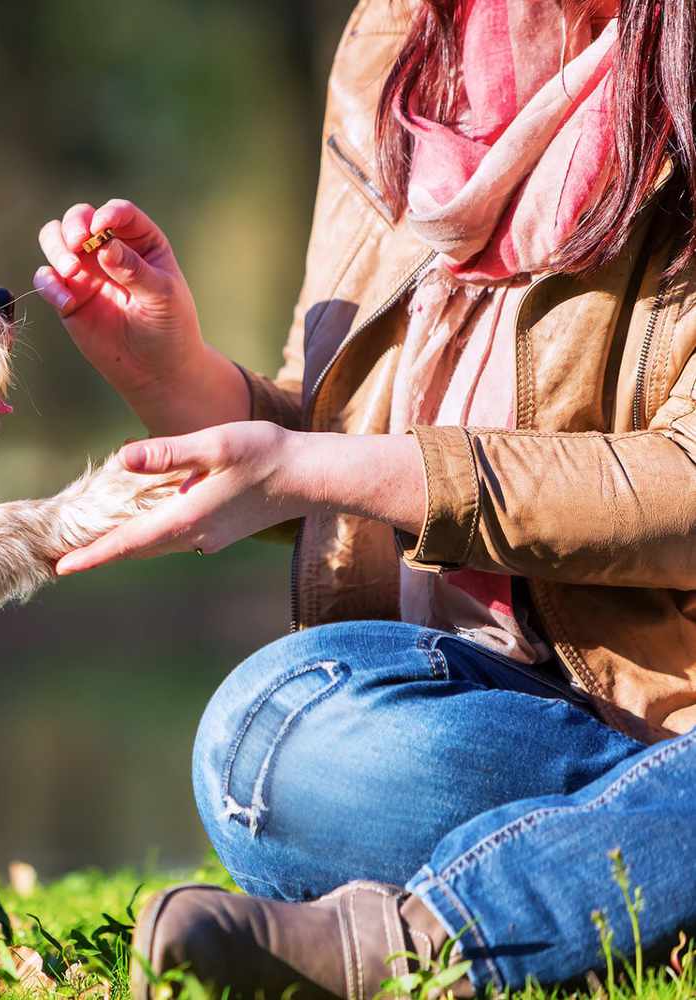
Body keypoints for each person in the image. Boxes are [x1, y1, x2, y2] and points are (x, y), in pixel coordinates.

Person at [34, 1, 696, 996]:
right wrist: (179, 376)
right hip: (492, 709)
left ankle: (425, 939)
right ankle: (642, 853)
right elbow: (342, 426)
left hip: (665, 702)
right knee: (262, 743)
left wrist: (313, 467)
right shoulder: (399, 41)